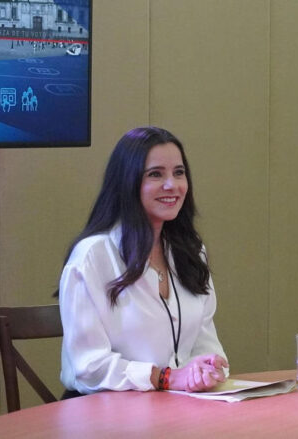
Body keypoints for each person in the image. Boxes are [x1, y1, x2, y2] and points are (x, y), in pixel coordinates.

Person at [58, 126, 228, 395]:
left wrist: (206, 368)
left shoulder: (191, 252)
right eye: (155, 174)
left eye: (179, 172)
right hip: (104, 410)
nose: (172, 185)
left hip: (178, 406)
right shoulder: (93, 256)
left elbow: (204, 342)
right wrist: (166, 378)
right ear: (127, 182)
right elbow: (89, 367)